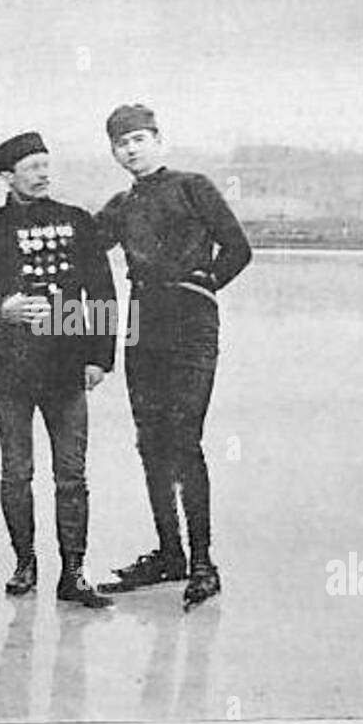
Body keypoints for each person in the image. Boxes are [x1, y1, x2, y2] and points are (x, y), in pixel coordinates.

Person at [95, 104, 252, 610]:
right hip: (143, 329)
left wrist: (205, 284)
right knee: (150, 442)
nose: (131, 149)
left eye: (139, 138)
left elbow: (237, 249)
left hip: (191, 329)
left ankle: (203, 562)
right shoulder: (121, 204)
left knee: (184, 438)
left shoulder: (194, 186)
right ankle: (170, 554)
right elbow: (83, 245)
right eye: (121, 143)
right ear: (114, 152)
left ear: (159, 139)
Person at [0, 130, 116, 610]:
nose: (43, 174)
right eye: (32, 168)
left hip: (66, 370)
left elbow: (100, 294)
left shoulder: (77, 222)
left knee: (72, 475)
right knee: (16, 472)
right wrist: (2, 311)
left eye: (46, 165)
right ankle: (25, 564)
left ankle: (74, 574)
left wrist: (96, 358)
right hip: (12, 370)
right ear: (7, 176)